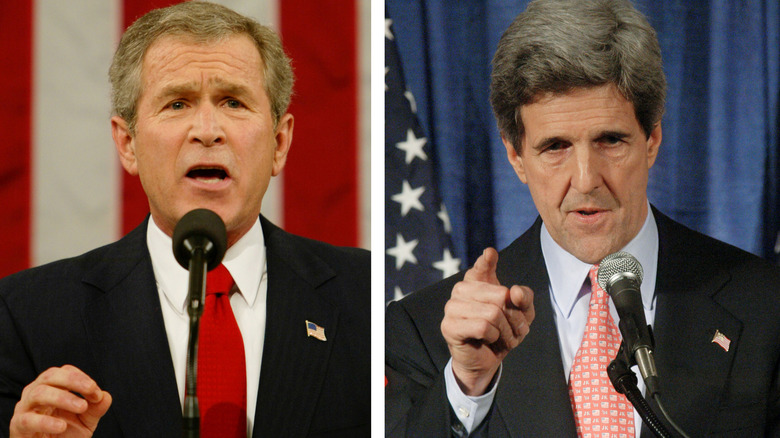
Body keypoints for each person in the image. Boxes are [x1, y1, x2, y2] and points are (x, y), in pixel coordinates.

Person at [385, 0, 780, 436]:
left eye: (610, 140)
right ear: (516, 157)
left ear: (652, 140)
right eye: (555, 147)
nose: (586, 179)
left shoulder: (766, 306)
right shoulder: (426, 331)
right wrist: (469, 387)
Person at [0, 2, 369, 437]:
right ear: (127, 144)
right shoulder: (26, 316)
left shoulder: (364, 295)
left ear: (279, 142)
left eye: (233, 101)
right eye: (177, 104)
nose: (207, 129)